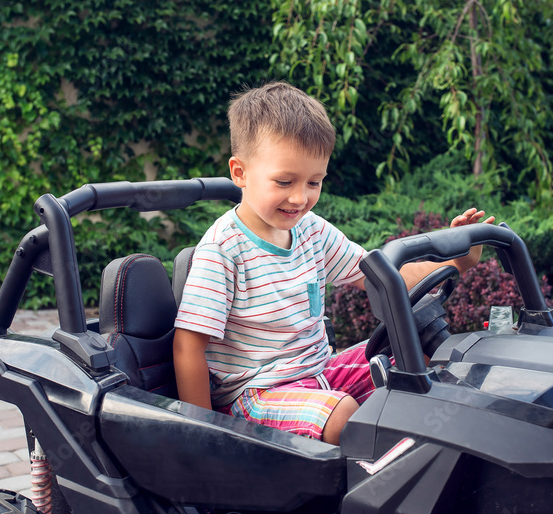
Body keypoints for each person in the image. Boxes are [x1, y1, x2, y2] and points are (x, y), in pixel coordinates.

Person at [173, 82, 494, 445]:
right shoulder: (224, 248)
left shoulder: (311, 231)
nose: (300, 197)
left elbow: (386, 277)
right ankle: (371, 487)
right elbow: (188, 344)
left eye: (314, 181)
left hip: (320, 372)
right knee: (341, 413)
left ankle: (427, 466)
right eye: (284, 181)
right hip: (254, 395)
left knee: (416, 358)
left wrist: (457, 260)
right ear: (240, 173)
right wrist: (204, 435)